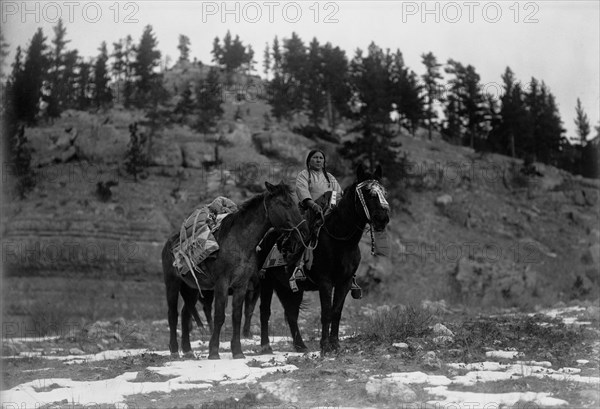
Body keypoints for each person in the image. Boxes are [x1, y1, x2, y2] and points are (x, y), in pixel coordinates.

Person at [292, 149, 362, 299]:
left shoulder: (329, 177)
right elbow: (302, 191)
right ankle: (299, 268)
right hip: (309, 212)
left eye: (321, 158)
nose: (318, 160)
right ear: (309, 160)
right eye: (315, 158)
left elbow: (339, 195)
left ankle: (351, 275)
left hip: (329, 212)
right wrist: (313, 205)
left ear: (324, 162)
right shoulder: (304, 175)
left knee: (347, 237)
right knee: (305, 234)